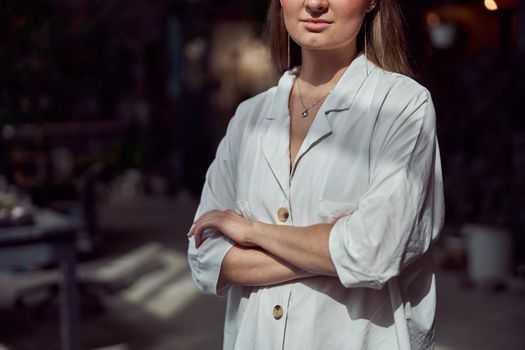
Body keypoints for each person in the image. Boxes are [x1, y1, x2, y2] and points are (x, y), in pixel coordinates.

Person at [187, 0, 444, 349]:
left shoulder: (401, 106)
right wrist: (336, 248)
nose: (315, 3)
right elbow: (204, 257)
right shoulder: (248, 119)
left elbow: (374, 253)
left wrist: (252, 231)